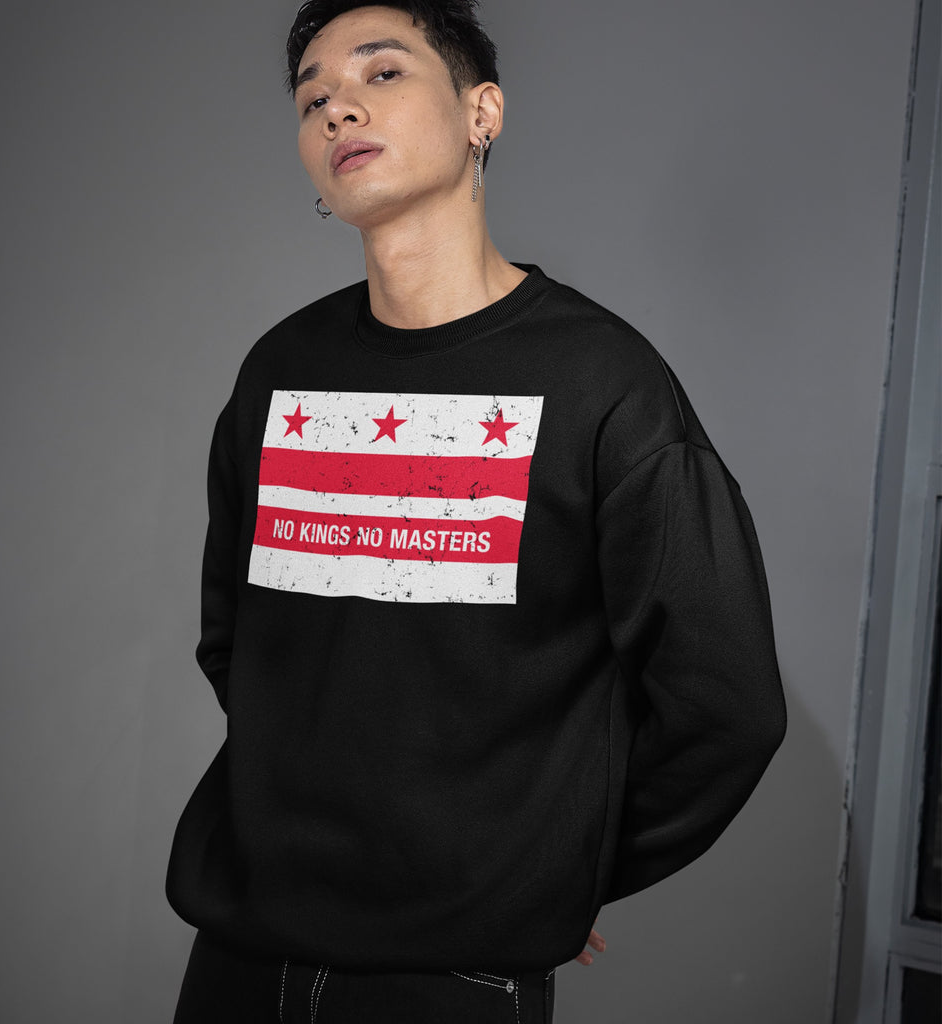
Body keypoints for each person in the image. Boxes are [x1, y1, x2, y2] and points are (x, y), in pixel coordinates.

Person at [166, 1, 787, 1020]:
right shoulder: (280, 371)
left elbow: (728, 705)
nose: (336, 109)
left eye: (381, 74)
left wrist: (557, 870)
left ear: (480, 111)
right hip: (239, 954)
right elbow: (239, 645)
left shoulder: (604, 385)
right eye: (311, 95)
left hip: (450, 980)